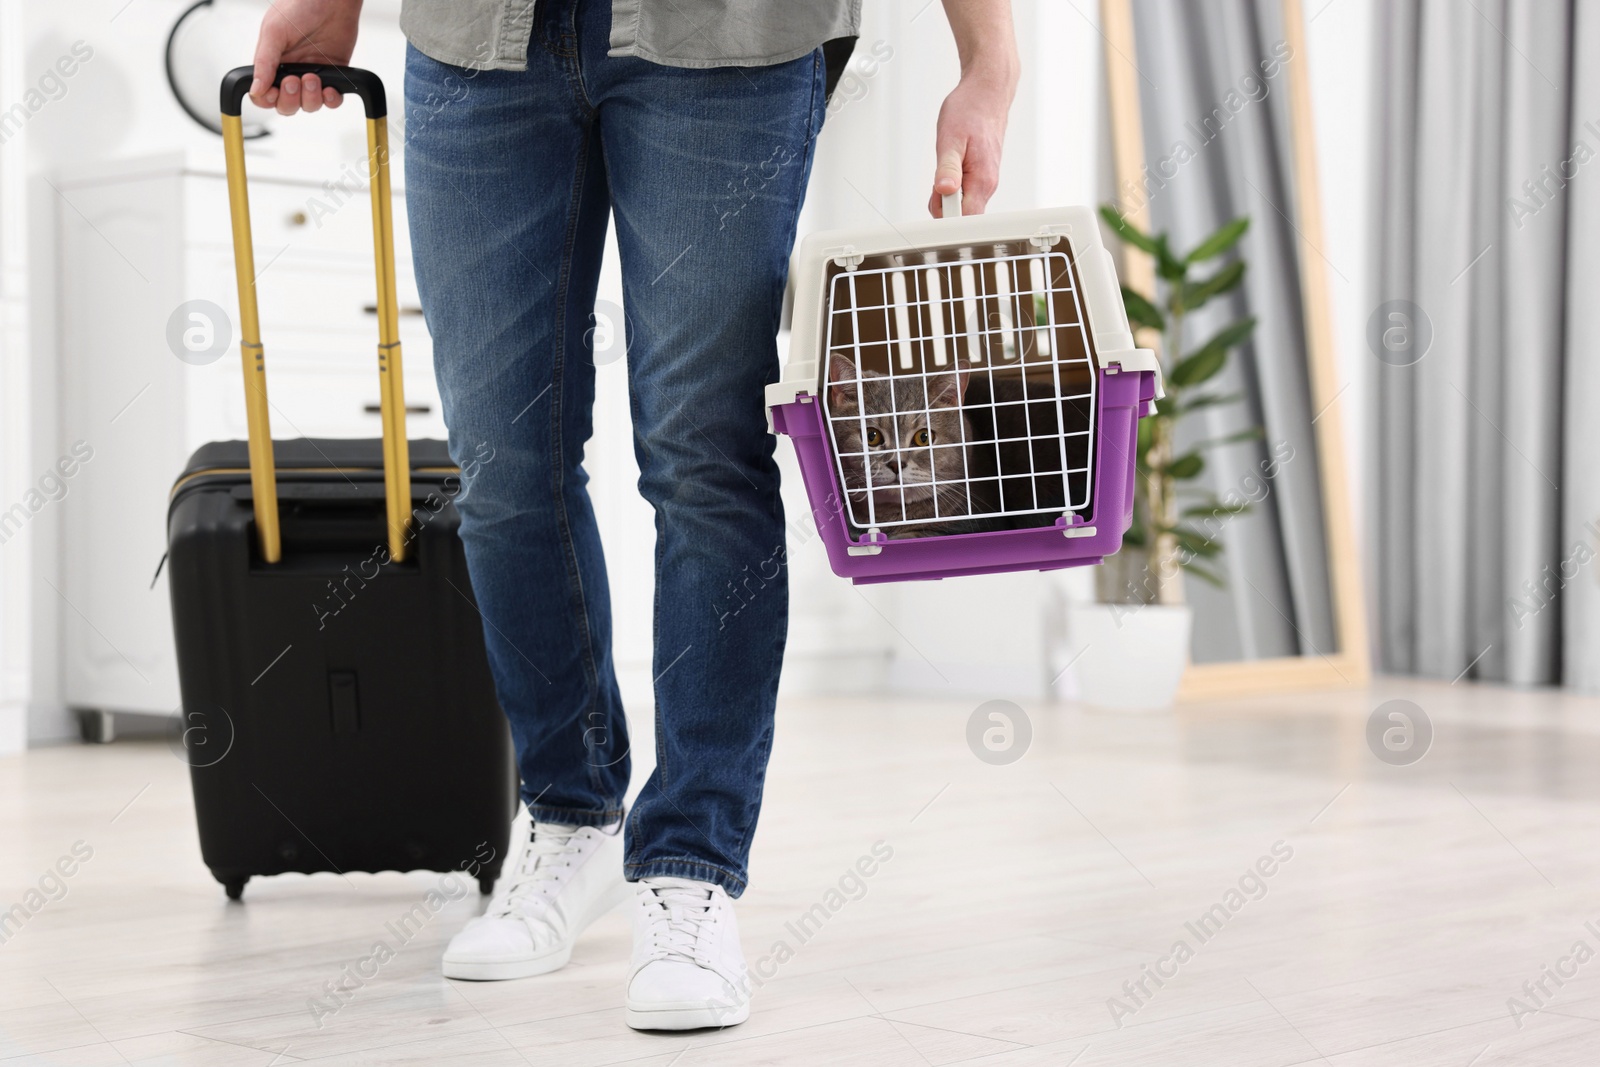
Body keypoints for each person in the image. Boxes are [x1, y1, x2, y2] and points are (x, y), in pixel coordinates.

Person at [249, 0, 1017, 1031]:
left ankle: (692, 863)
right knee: (503, 464)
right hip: (478, 39)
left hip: (731, 38)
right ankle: (569, 814)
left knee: (704, 457)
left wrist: (989, 57)